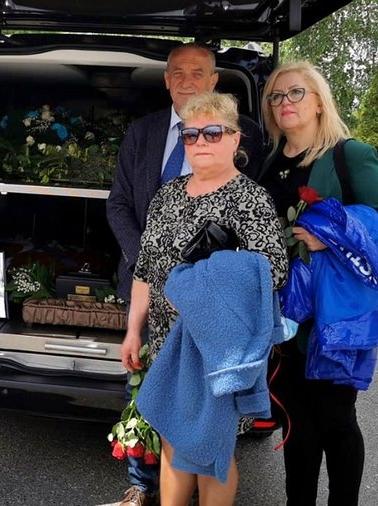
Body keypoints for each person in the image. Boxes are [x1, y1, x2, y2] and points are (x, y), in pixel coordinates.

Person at [106, 41, 264, 506]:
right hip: (153, 306)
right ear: (166, 80)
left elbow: (264, 264)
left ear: (214, 81)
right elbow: (119, 204)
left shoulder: (246, 151)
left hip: (215, 326)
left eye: (198, 72)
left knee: (211, 429)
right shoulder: (144, 135)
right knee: (150, 400)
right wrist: (150, 267)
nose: (187, 80)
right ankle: (141, 484)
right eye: (178, 72)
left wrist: (198, 284)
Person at [124, 92, 287, 505]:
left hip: (217, 349)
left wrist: (197, 288)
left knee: (213, 451)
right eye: (190, 134)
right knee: (172, 438)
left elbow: (272, 269)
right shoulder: (167, 195)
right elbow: (145, 269)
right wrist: (133, 331)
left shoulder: (249, 199)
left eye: (213, 132)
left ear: (234, 139)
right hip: (167, 342)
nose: (200, 141)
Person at [258, 61, 378, 506]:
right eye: (275, 96)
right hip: (284, 314)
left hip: (334, 313)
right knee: (297, 421)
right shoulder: (271, 162)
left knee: (336, 419)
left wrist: (332, 237)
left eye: (295, 93)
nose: (284, 102)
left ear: (319, 102)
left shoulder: (350, 155)